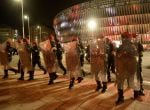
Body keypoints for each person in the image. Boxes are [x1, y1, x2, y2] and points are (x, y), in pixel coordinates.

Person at [115, 32, 140, 105]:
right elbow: (117, 56)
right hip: (122, 67)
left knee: (131, 83)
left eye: (125, 37)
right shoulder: (120, 46)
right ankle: (120, 97)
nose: (123, 39)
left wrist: (127, 55)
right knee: (120, 83)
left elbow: (136, 57)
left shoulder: (132, 46)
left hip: (129, 68)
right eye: (123, 37)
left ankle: (136, 92)